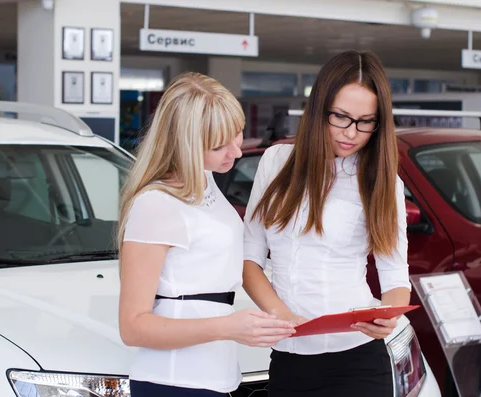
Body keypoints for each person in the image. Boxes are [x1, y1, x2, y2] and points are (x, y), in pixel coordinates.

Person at [242, 50, 411, 397]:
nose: (353, 133)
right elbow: (249, 260)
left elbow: (395, 276)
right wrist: (285, 317)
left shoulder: (382, 181)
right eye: (342, 117)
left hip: (358, 362)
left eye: (367, 121)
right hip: (288, 359)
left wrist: (386, 316)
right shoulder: (276, 162)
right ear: (319, 108)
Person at [117, 72, 295, 397]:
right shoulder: (156, 204)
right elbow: (133, 327)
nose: (236, 152)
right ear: (185, 144)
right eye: (219, 146)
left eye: (238, 136)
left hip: (218, 376)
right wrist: (228, 327)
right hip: (174, 382)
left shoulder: (206, 180)